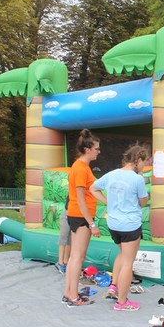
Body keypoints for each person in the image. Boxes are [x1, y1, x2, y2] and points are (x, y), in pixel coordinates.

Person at [90, 145, 150, 312]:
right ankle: (122, 302)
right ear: (138, 160)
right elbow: (143, 202)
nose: (143, 166)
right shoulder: (137, 179)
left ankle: (114, 286)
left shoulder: (111, 175)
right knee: (127, 264)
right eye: (143, 162)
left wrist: (107, 202)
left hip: (114, 225)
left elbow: (93, 188)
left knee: (123, 254)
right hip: (130, 225)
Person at [62, 129, 101, 307]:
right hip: (80, 216)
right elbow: (79, 198)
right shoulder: (79, 168)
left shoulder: (82, 167)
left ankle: (69, 292)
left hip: (78, 215)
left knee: (74, 257)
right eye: (96, 149)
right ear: (87, 149)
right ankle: (72, 295)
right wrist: (92, 224)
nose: (98, 152)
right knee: (78, 257)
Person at [54, 198, 72, 274]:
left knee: (70, 240)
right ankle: (60, 262)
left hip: (75, 216)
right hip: (67, 216)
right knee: (63, 238)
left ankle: (66, 261)